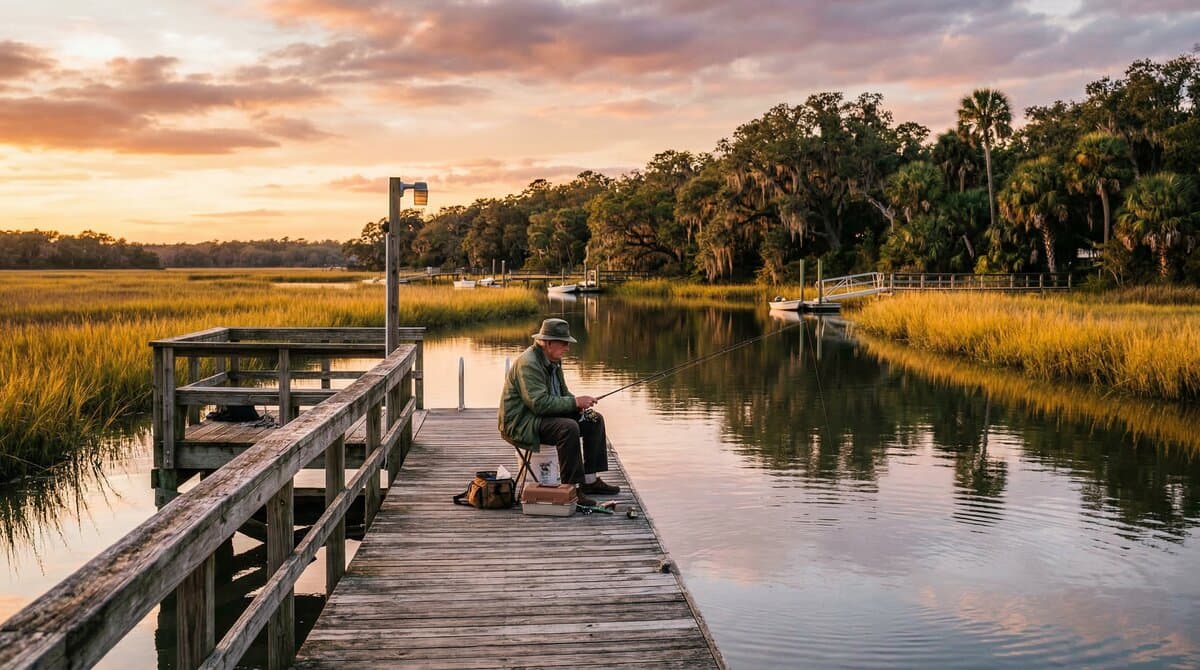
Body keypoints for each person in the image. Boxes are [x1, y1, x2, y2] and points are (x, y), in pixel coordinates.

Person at [499, 318, 620, 507]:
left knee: (593, 419)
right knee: (568, 428)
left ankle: (589, 481)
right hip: (523, 422)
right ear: (548, 343)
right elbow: (539, 404)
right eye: (564, 343)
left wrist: (578, 405)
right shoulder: (529, 364)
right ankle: (571, 488)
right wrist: (574, 402)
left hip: (541, 416)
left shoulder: (554, 360)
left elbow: (563, 393)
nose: (567, 348)